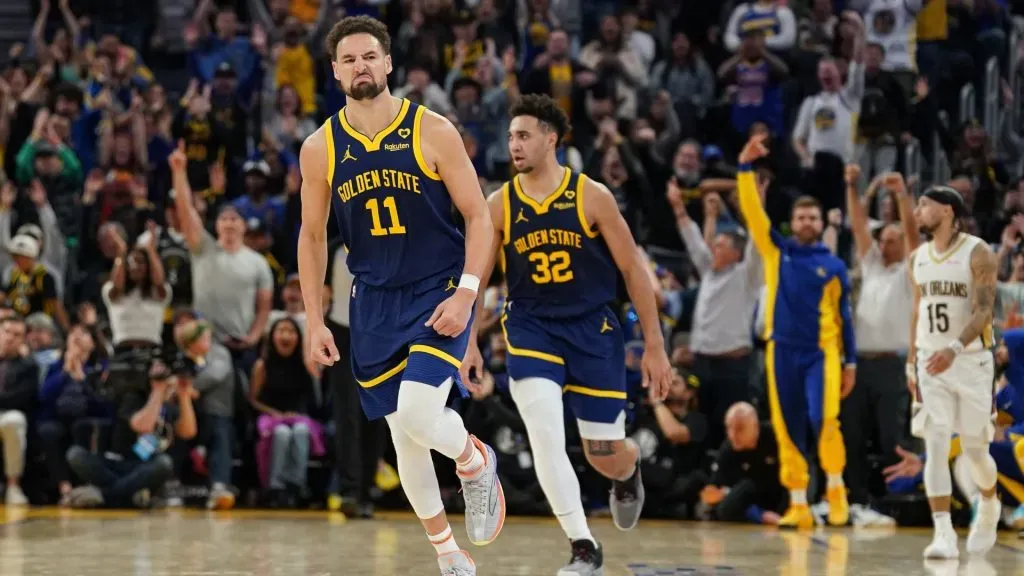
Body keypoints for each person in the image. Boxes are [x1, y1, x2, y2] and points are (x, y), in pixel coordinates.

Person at [296, 16, 503, 575]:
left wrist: (466, 294)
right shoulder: (320, 148)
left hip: (438, 290)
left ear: (388, 64)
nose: (360, 65)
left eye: (370, 56)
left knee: (416, 410)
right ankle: (447, 554)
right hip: (373, 301)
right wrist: (315, 320)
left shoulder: (433, 130)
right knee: (403, 431)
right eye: (348, 59)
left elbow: (479, 216)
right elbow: (312, 237)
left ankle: (473, 458)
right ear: (335, 72)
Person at [462, 94, 673, 575]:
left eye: (524, 135)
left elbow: (634, 271)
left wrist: (656, 347)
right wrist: (470, 341)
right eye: (511, 136)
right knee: (545, 436)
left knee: (606, 456)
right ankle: (583, 546)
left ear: (551, 139)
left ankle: (628, 469)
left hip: (592, 331)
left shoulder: (591, 195)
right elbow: (478, 277)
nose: (514, 144)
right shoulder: (500, 203)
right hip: (531, 329)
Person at [735, 134, 856, 529]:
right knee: (787, 426)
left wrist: (850, 361)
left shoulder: (834, 266)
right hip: (781, 350)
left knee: (825, 421)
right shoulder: (778, 251)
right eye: (801, 217)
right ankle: (798, 503)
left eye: (813, 218)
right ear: (794, 222)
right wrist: (744, 168)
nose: (807, 223)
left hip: (821, 353)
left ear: (822, 225)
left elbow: (845, 318)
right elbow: (754, 215)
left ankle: (836, 492)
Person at [908, 184, 1000, 558]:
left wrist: (955, 347)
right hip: (930, 362)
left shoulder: (978, 252)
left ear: (947, 211)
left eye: (924, 205)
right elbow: (917, 311)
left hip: (971, 361)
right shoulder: (918, 257)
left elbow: (983, 312)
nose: (917, 212)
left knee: (976, 451)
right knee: (936, 441)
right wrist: (910, 359)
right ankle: (943, 533)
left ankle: (990, 504)